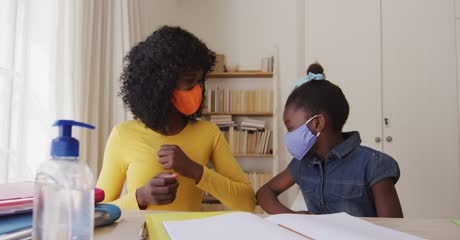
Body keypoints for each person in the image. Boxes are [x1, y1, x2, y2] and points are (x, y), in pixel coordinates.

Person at [96, 26, 255, 212]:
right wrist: (141, 197)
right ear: (160, 86)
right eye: (189, 81)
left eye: (199, 81)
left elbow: (247, 202)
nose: (198, 90)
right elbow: (99, 212)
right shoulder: (123, 135)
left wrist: (195, 171)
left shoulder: (209, 133)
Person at [257, 63, 403, 217]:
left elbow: (393, 229)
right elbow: (264, 193)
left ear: (317, 123)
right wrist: (294, 217)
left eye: (291, 128)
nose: (289, 136)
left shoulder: (374, 164)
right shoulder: (302, 164)